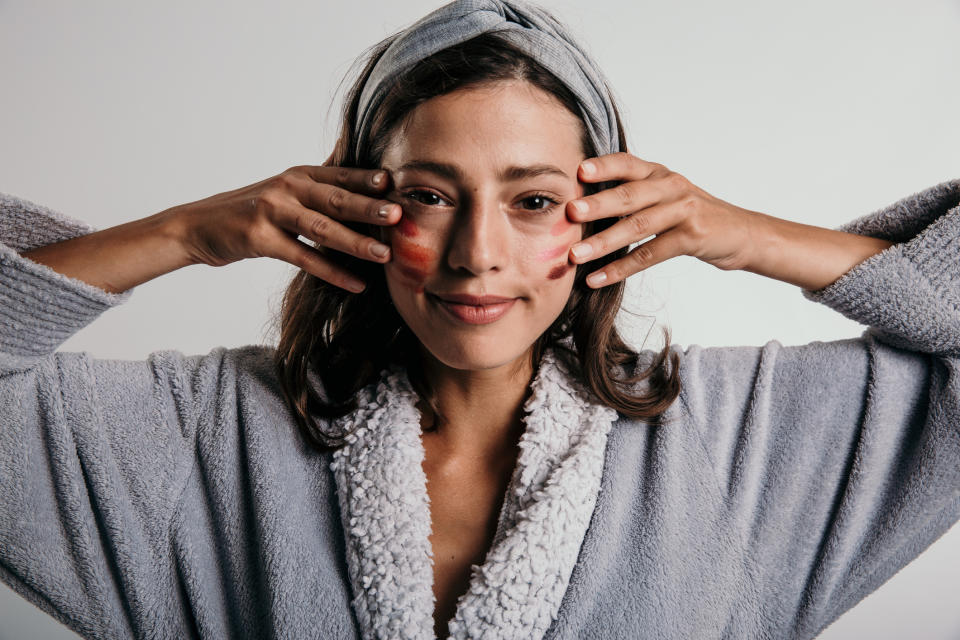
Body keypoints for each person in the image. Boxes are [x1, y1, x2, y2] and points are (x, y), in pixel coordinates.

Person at [1, 0, 958, 638]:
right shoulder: (207, 438)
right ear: (355, 201)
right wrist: (186, 232)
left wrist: (743, 235)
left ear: (612, 209)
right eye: (430, 195)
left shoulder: (742, 442)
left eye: (534, 200)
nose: (477, 255)